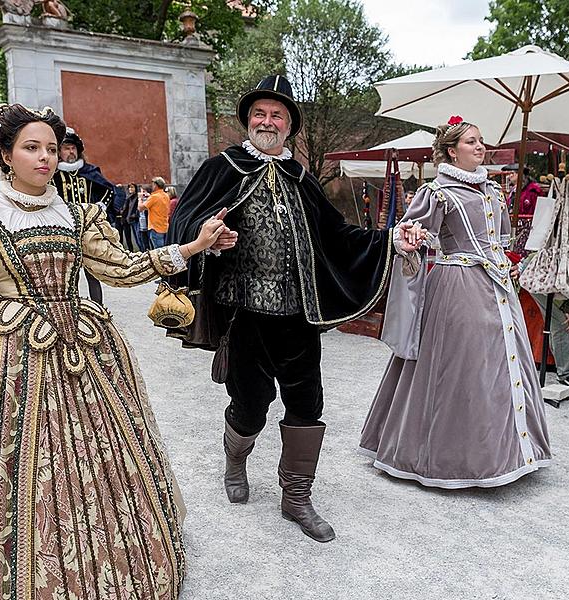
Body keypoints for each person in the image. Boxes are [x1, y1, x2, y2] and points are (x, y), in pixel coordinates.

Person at [0, 103, 227, 600]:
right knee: (20, 472)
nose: (44, 158)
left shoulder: (75, 212)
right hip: (16, 355)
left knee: (105, 459)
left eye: (51, 149)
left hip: (84, 344)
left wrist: (191, 247)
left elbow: (120, 268)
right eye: (31, 148)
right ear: (4, 155)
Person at [167, 75, 401, 543]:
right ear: (247, 121)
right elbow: (185, 218)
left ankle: (296, 497)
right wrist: (210, 235)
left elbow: (338, 235)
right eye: (260, 113)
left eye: (277, 115)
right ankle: (236, 458)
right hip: (242, 312)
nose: (267, 121)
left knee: (307, 403)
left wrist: (390, 238)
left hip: (298, 316)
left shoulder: (302, 179)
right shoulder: (223, 168)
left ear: (289, 125)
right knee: (251, 406)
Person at [359, 117, 552, 489]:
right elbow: (410, 234)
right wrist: (413, 236)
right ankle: (445, 455)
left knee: (498, 364)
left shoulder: (493, 192)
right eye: (471, 142)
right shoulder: (437, 192)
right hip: (456, 286)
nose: (480, 147)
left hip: (498, 289)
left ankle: (506, 452)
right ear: (451, 150)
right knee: (458, 368)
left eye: (481, 141)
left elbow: (501, 241)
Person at [51, 126, 115, 304]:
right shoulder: (53, 176)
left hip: (88, 230)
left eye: (73, 148)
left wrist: (100, 206)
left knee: (92, 273)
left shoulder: (90, 172)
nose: (71, 152)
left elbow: (109, 190)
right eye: (66, 148)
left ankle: (99, 310)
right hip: (65, 230)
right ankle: (73, 309)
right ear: (59, 152)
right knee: (70, 274)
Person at [142, 176, 171, 248]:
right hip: (164, 226)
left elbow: (141, 208)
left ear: (156, 185)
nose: (152, 186)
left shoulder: (154, 196)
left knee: (158, 251)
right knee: (164, 250)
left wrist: (140, 199)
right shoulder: (166, 195)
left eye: (153, 184)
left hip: (155, 227)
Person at [119, 182, 142, 250]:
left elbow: (137, 208)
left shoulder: (136, 197)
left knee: (139, 237)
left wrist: (134, 215)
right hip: (129, 220)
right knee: (136, 238)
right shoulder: (129, 197)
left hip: (136, 220)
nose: (130, 189)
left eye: (132, 187)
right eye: (129, 187)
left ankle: (142, 251)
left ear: (135, 188)